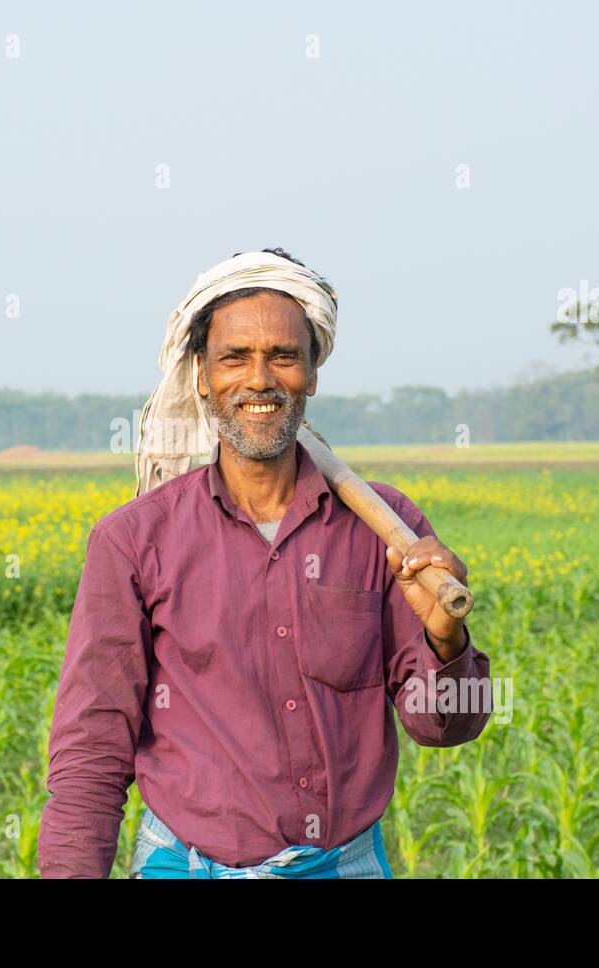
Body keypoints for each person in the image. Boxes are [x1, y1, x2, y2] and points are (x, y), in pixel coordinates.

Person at [37, 248, 492, 878]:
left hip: (345, 865)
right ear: (202, 375)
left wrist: (445, 635)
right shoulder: (133, 540)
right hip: (185, 865)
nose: (259, 379)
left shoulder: (385, 528)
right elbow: (94, 742)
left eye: (283, 356)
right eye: (234, 358)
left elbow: (446, 727)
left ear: (311, 373)